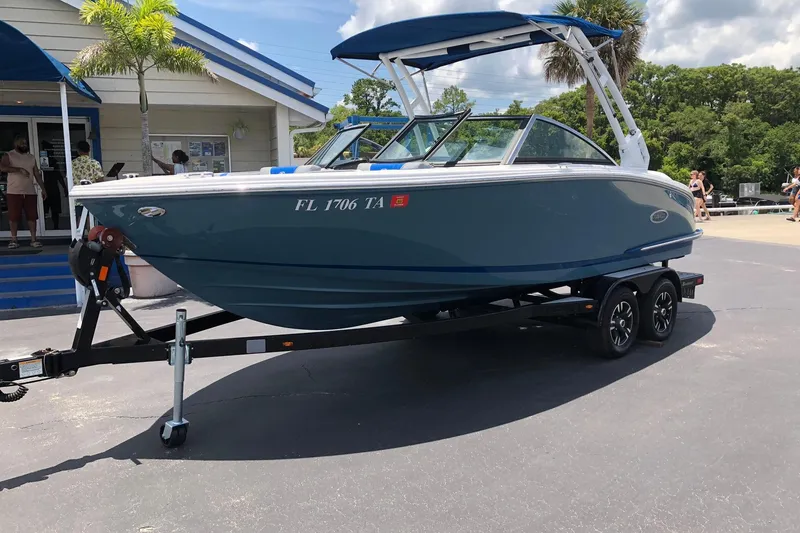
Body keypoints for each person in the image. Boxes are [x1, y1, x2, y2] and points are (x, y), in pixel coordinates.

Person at [0, 134, 46, 249]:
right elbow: (3, 167)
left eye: (25, 143)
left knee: (32, 216)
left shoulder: (31, 157)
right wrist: (19, 169)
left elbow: (36, 173)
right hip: (14, 191)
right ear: (16, 144)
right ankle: (14, 240)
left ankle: (34, 239)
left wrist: (43, 189)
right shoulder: (9, 155)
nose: (24, 145)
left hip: (30, 191)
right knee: (14, 216)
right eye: (22, 143)